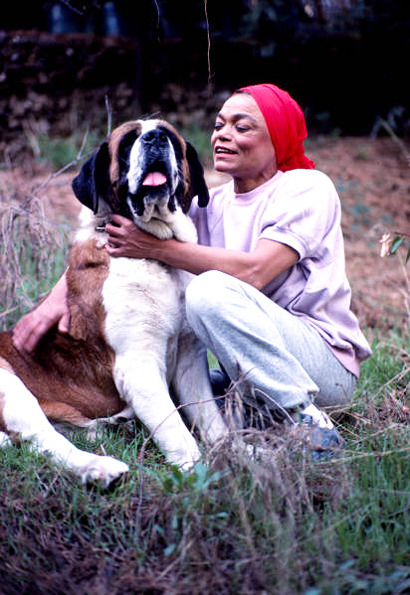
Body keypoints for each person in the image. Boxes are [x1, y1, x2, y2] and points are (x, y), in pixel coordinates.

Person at [13, 83, 372, 454]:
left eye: (242, 127)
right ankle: (248, 441)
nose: (223, 136)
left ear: (277, 138)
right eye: (219, 125)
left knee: (208, 290)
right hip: (249, 376)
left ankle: (306, 420)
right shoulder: (207, 205)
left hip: (320, 367)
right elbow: (112, 242)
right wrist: (59, 298)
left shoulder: (308, 187)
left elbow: (255, 272)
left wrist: (155, 247)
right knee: (166, 394)